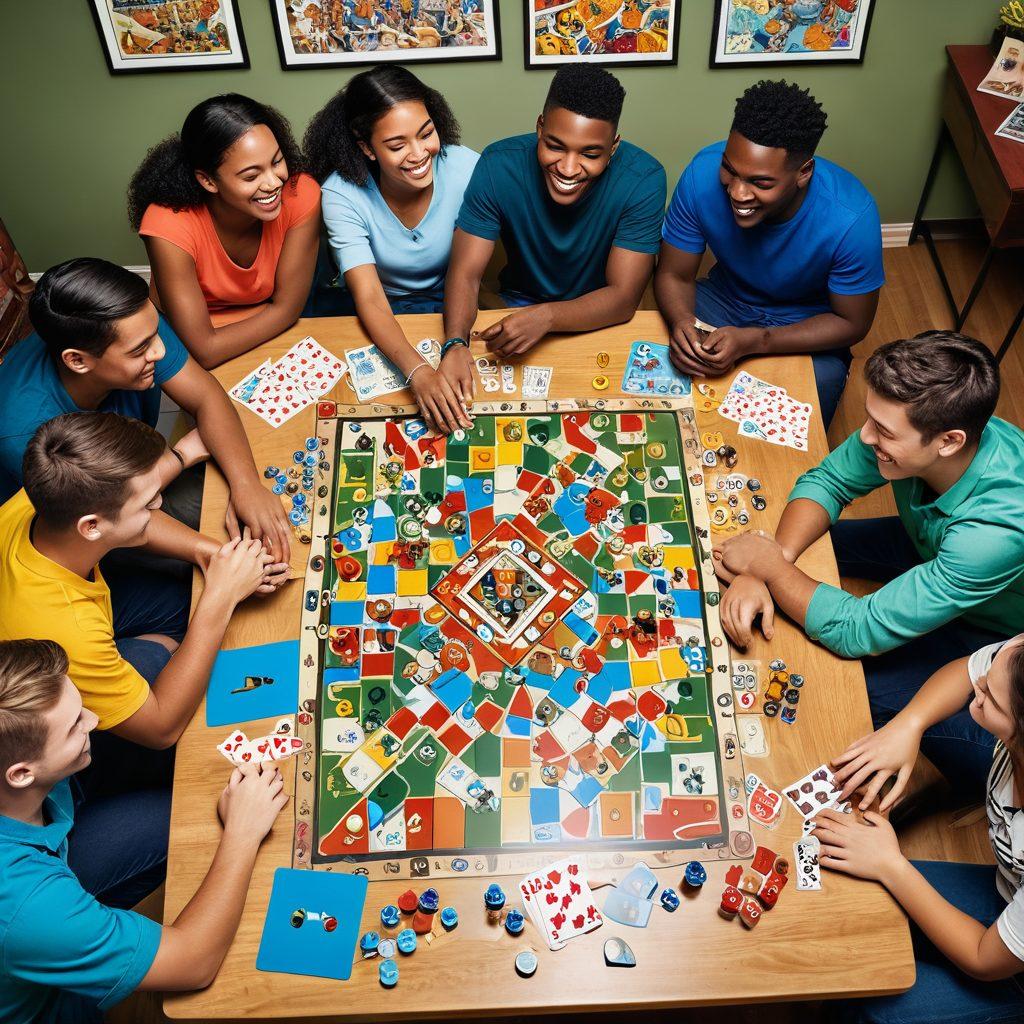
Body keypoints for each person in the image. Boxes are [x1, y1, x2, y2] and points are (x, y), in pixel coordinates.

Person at [713, 332, 1024, 794]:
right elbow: (831, 480)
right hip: (932, 549)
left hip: (995, 638)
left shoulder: (993, 535)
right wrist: (768, 563)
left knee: (845, 685)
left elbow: (856, 631)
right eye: (870, 418)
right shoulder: (937, 424)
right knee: (810, 557)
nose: (864, 436)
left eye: (885, 432)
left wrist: (771, 570)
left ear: (948, 441)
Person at [0, 638, 288, 1024]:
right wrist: (242, 831)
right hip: (57, 1006)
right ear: (21, 774)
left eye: (80, 704)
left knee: (146, 661)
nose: (94, 719)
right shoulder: (30, 904)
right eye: (73, 727)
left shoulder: (21, 774)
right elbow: (194, 962)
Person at [0, 411, 285, 747]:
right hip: (57, 721)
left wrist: (215, 557)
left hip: (85, 601)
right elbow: (160, 729)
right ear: (91, 527)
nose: (160, 502)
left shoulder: (55, 485)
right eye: (148, 504)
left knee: (189, 603)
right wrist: (221, 595)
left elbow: (128, 520)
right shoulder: (71, 630)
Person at [0, 258, 290, 562]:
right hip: (85, 530)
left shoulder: (133, 323)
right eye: (140, 350)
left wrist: (246, 485)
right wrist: (217, 557)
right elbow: (112, 520)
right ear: (78, 361)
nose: (160, 351)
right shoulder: (25, 432)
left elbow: (206, 396)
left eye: (155, 333)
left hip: (136, 485)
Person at [814, 634, 1024, 1023]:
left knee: (872, 1006)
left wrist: (891, 864)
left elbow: (983, 959)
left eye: (990, 700)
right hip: (1007, 895)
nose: (975, 689)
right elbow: (964, 670)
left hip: (1010, 970)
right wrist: (908, 725)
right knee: (852, 900)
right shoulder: (1017, 660)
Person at [655, 79, 883, 427]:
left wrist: (755, 342)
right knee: (659, 360)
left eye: (760, 183)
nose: (737, 192)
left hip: (805, 324)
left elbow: (852, 323)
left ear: (803, 172)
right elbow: (674, 274)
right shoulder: (701, 175)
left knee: (792, 424)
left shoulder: (852, 218)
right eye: (730, 170)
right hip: (722, 301)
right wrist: (682, 322)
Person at [442, 64, 666, 402]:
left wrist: (547, 317)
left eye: (590, 153)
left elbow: (621, 299)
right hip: (515, 308)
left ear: (614, 147)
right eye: (556, 146)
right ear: (539, 127)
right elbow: (465, 272)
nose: (568, 168)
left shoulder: (645, 179)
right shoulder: (497, 163)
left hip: (599, 317)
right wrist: (455, 343)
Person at [304, 67, 478, 435]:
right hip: (381, 308)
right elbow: (368, 294)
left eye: (426, 133)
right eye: (397, 145)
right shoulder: (339, 194)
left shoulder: (467, 168)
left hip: (453, 303)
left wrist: (455, 342)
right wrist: (417, 372)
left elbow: (472, 270)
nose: (418, 154)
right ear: (366, 147)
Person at [129, 94, 321, 370]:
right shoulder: (166, 224)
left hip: (257, 324)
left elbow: (288, 309)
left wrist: (277, 315)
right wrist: (276, 315)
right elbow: (204, 350)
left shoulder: (300, 193)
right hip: (195, 333)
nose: (273, 182)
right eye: (251, 176)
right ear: (208, 180)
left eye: (277, 162)